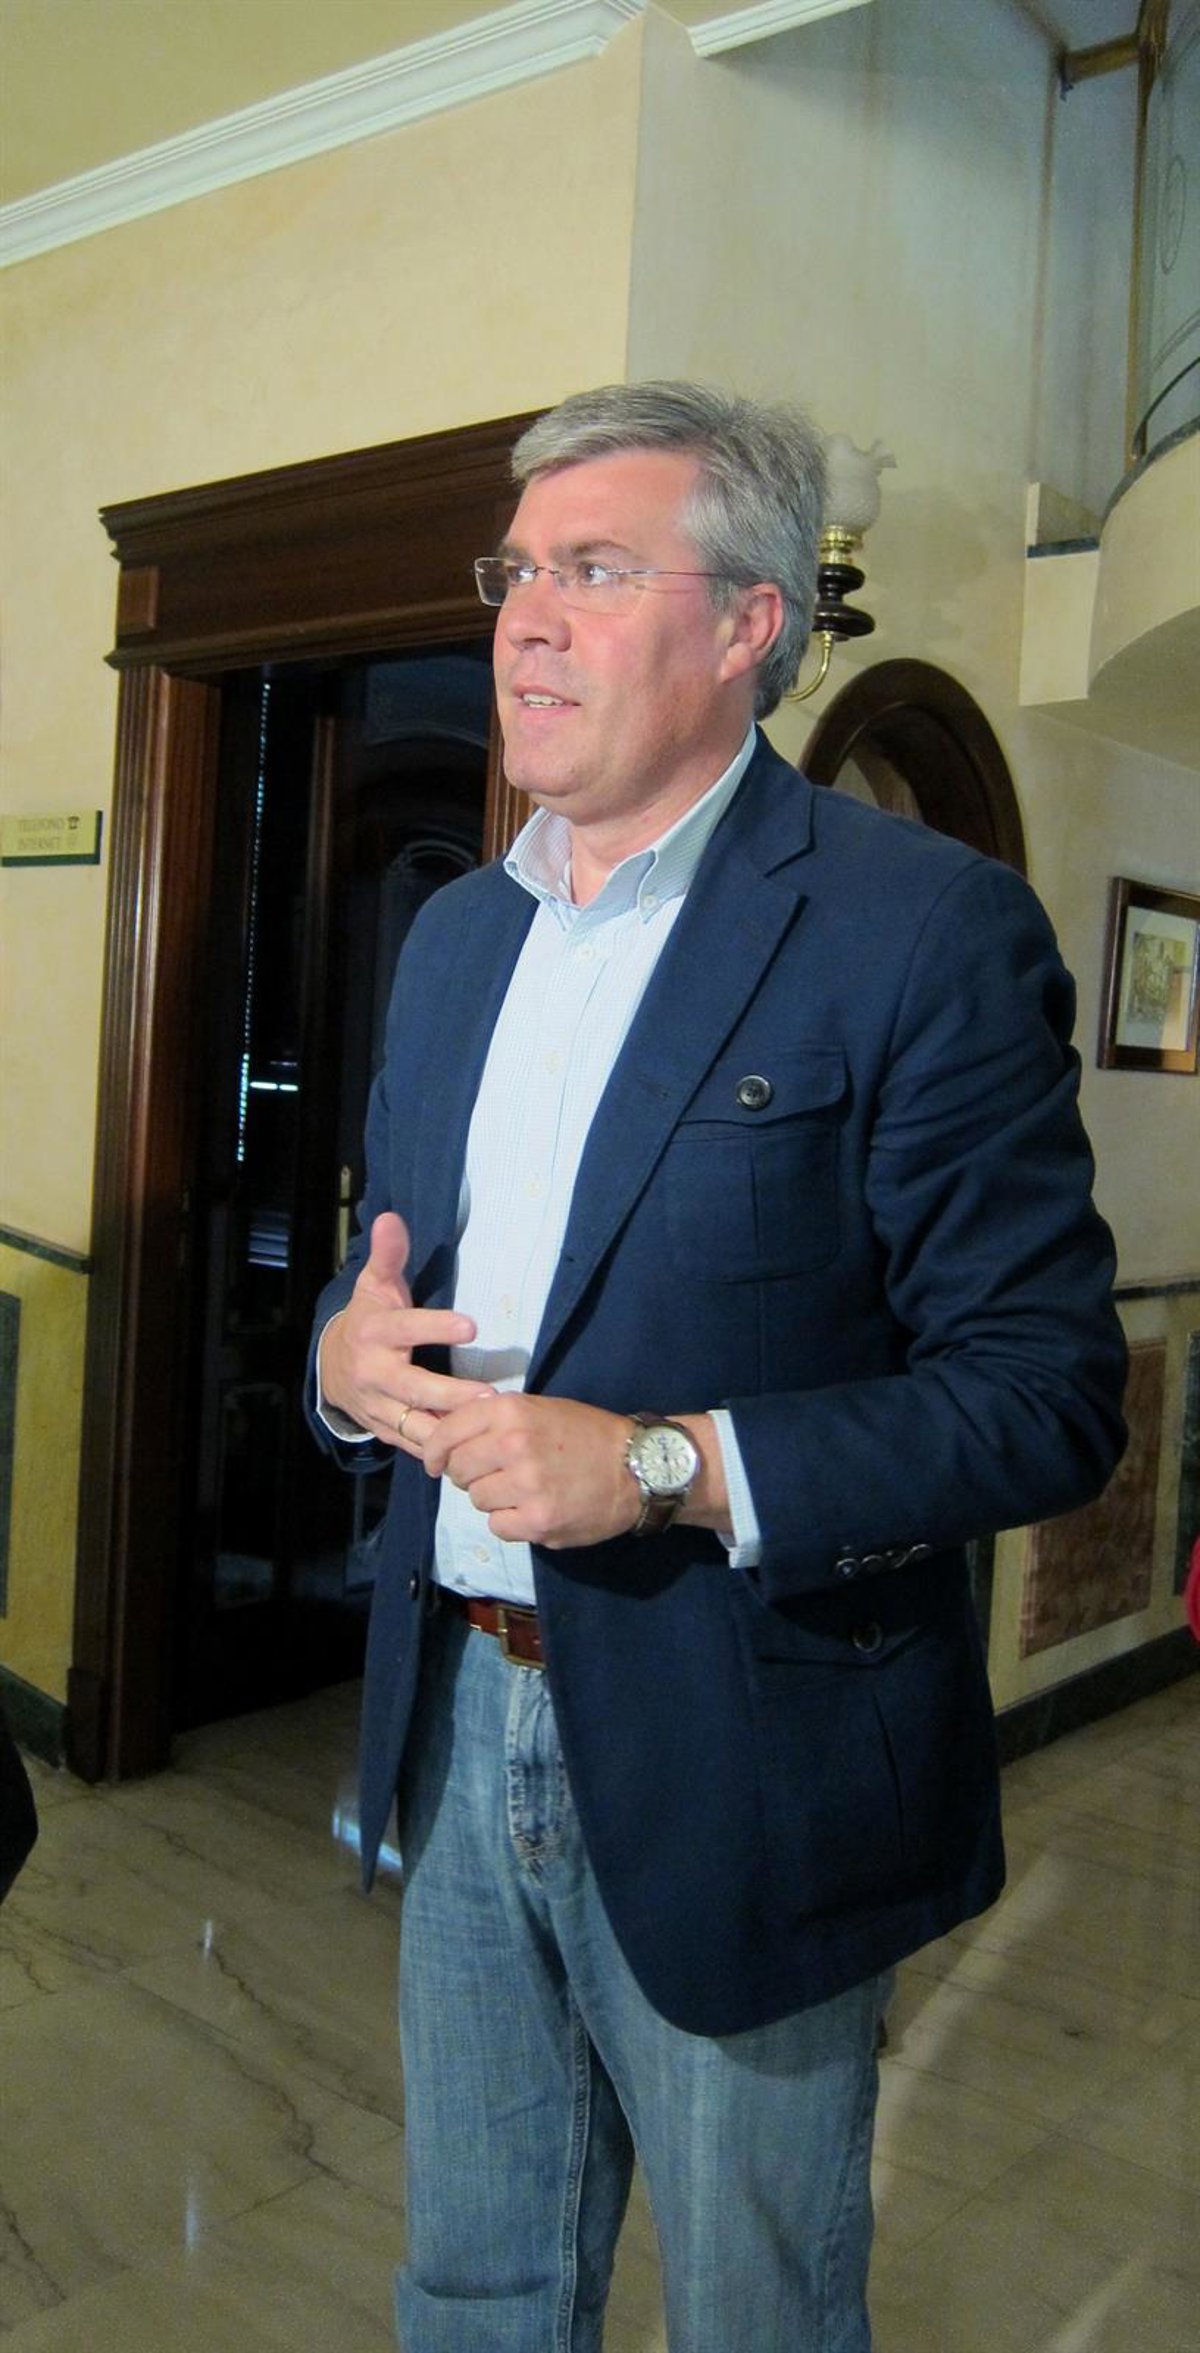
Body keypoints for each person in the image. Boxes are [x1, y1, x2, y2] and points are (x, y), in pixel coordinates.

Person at [307, 380, 1127, 2352]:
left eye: (594, 570)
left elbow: (1043, 1393)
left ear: (752, 621)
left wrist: (663, 1463)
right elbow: (394, 1270)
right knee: (476, 2288)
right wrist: (342, 1359)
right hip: (457, 1714)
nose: (525, 617)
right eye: (517, 571)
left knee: (757, 2308)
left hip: (748, 1751)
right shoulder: (457, 939)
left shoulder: (920, 931)